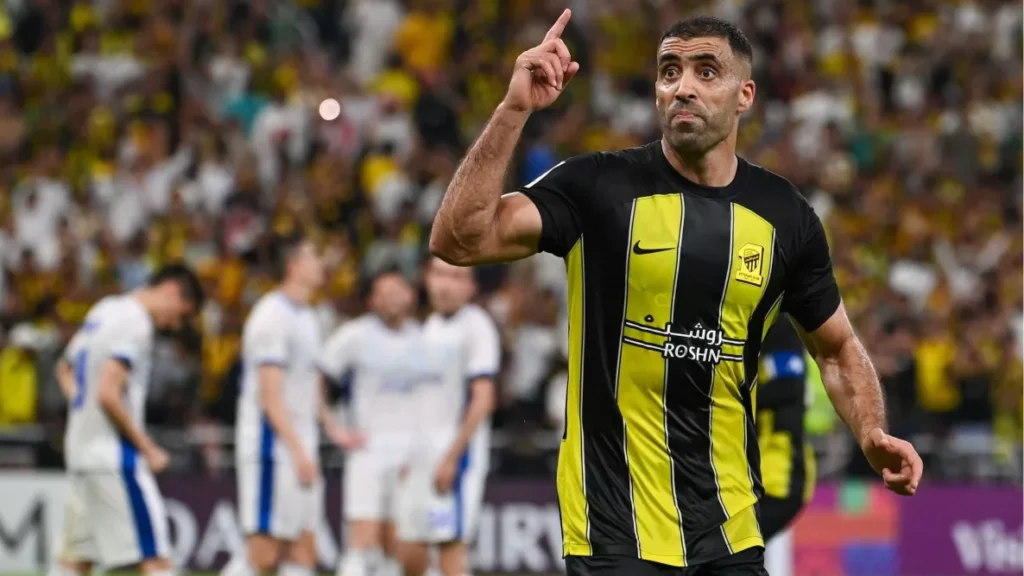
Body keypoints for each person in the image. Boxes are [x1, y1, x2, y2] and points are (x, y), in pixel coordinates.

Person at [428, 10, 923, 576]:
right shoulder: (596, 186)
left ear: (744, 95)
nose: (683, 86)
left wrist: (871, 431)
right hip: (613, 534)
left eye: (706, 71)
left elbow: (835, 349)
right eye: (669, 71)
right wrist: (513, 110)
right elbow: (457, 240)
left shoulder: (785, 217)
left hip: (731, 531)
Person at [48, 264, 204, 576]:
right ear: (172, 290)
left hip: (81, 453)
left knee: (75, 563)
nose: (175, 325)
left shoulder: (105, 310)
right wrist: (148, 448)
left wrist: (82, 410)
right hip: (114, 458)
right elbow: (108, 394)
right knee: (157, 560)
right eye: (182, 314)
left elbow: (64, 368)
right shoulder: (136, 323)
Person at [221, 233, 340, 576]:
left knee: (304, 548)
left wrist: (332, 428)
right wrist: (298, 449)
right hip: (272, 447)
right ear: (293, 265)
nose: (321, 263)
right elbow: (270, 397)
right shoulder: (271, 316)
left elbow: (309, 386)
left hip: (301, 443)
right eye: (313, 256)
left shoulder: (310, 316)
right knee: (264, 552)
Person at [395, 258, 500, 576]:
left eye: (456, 276)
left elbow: (483, 400)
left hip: (455, 462)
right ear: (427, 280)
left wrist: (452, 458)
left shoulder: (477, 326)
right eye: (440, 275)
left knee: (449, 550)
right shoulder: (428, 328)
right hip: (421, 460)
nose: (445, 285)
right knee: (411, 552)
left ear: (471, 286)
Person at [319, 270, 424, 576]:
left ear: (410, 295)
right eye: (382, 293)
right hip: (367, 451)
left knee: (398, 550)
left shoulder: (424, 338)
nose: (390, 299)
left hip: (410, 455)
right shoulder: (355, 335)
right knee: (361, 547)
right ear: (371, 301)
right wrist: (334, 429)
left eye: (396, 291)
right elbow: (316, 377)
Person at [756, 317, 814, 576]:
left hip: (781, 477)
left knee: (731, 552)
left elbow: (788, 389)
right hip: (753, 476)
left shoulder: (780, 333)